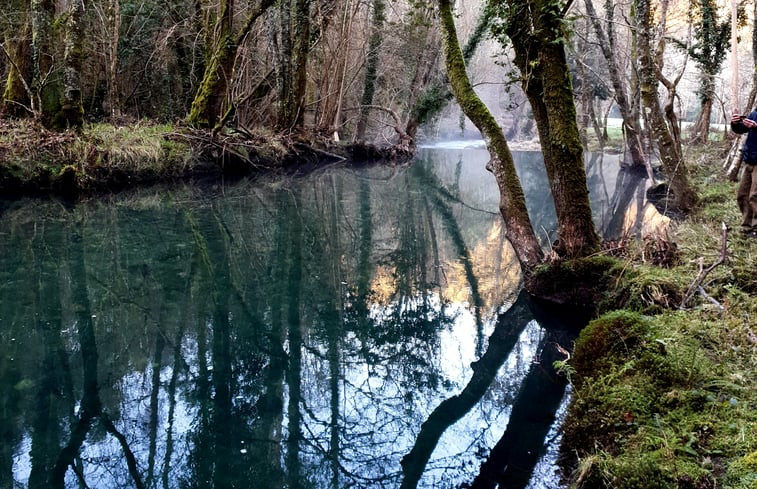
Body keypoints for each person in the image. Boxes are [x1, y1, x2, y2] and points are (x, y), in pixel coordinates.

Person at [730, 111, 757, 237]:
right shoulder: (755, 112)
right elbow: (741, 129)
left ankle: (756, 228)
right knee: (743, 195)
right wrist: (735, 123)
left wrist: (756, 127)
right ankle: (747, 226)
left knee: (755, 196)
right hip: (749, 161)